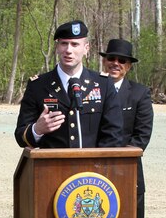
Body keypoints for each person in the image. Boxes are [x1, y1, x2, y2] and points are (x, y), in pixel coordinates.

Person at [100, 38, 153, 218]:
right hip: (95, 175)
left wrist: (116, 161)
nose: (115, 64)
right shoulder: (93, 89)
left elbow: (141, 137)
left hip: (128, 175)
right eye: (111, 59)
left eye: (122, 61)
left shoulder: (139, 94)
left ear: (129, 66)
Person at [15, 20, 123, 148]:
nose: (68, 50)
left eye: (75, 44)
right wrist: (37, 130)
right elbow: (20, 137)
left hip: (92, 166)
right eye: (64, 44)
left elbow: (113, 134)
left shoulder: (103, 84)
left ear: (86, 48)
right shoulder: (38, 85)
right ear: (57, 47)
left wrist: (95, 163)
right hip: (52, 166)